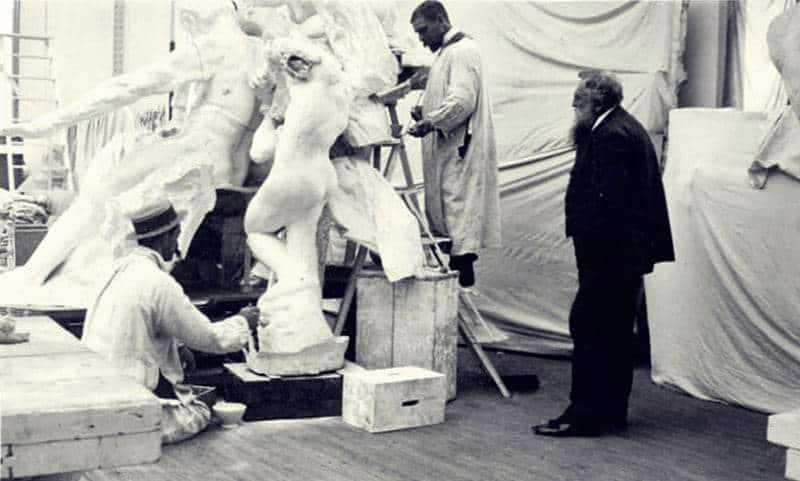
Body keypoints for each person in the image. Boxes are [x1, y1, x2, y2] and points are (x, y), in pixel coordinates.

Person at [0, 0, 266, 303]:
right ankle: (55, 272)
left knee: (99, 191)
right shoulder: (259, 51)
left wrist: (46, 124)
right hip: (228, 166)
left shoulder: (214, 47)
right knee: (115, 173)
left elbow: (127, 87)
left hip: (196, 154)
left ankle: (33, 275)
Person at [533, 71, 674, 437]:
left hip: (608, 256)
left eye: (578, 101)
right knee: (614, 332)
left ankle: (584, 415)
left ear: (597, 102)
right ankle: (610, 411)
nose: (573, 106)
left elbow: (606, 204)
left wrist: (589, 246)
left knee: (590, 326)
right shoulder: (624, 127)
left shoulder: (610, 136)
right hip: (622, 257)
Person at [81, 199, 261, 444]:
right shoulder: (156, 281)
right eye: (176, 235)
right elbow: (210, 338)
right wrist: (243, 321)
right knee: (201, 411)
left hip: (96, 391)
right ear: (166, 236)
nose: (177, 244)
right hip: (128, 398)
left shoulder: (115, 270)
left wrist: (177, 346)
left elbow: (146, 319)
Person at [407, 0, 500, 289]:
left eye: (423, 31)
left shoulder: (463, 51)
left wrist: (431, 122)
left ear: (441, 22)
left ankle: (463, 274)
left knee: (459, 213)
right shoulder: (448, 54)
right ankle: (458, 272)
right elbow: (449, 95)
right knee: (450, 215)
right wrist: (425, 112)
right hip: (449, 150)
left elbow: (461, 101)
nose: (421, 40)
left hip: (460, 151)